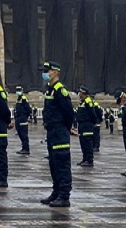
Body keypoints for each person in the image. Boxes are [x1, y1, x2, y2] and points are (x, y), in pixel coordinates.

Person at [39, 61, 74, 207]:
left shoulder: (60, 90)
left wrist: (65, 128)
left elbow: (68, 112)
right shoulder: (49, 89)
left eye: (47, 71)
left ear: (55, 72)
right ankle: (56, 191)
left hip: (59, 131)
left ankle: (64, 195)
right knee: (53, 163)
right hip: (52, 131)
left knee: (62, 163)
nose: (45, 73)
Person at [75, 85, 97, 167]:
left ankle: (89, 160)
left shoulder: (88, 101)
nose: (79, 94)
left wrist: (93, 122)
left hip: (87, 125)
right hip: (81, 125)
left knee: (88, 143)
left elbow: (92, 113)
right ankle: (85, 159)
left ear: (83, 93)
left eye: (80, 92)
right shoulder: (83, 102)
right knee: (83, 143)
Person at [14, 85, 32, 155]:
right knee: (20, 134)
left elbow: (28, 109)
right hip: (18, 119)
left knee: (24, 135)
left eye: (19, 90)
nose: (18, 92)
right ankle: (23, 148)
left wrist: (26, 117)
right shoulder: (19, 99)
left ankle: (26, 149)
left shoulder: (23, 98)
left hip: (22, 119)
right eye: (17, 90)